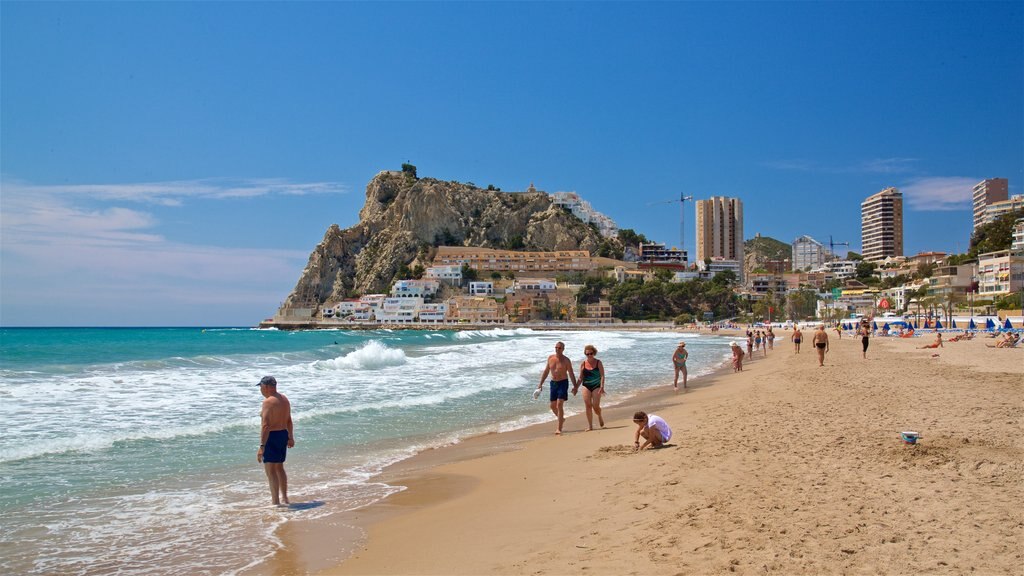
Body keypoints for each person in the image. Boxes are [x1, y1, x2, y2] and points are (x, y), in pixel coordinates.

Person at [257, 376, 294, 506]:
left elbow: (266, 425)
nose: (260, 390)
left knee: (270, 470)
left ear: (266, 387)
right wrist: (290, 437)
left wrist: (262, 446)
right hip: (283, 434)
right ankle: (284, 498)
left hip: (272, 436)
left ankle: (275, 502)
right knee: (279, 467)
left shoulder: (268, 402)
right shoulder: (284, 399)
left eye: (260, 387)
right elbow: (289, 420)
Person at [536, 341, 578, 435]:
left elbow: (571, 373)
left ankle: (559, 428)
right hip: (553, 383)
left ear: (563, 349)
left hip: (563, 382)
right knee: (552, 406)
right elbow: (546, 371)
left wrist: (575, 386)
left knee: (559, 404)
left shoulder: (566, 360)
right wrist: (540, 384)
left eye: (559, 348)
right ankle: (561, 419)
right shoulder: (550, 358)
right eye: (556, 347)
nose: (557, 349)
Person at [578, 344, 605, 430]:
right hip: (586, 385)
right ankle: (590, 426)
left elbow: (602, 376)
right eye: (587, 354)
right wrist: (575, 387)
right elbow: (580, 377)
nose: (589, 355)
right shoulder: (583, 364)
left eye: (591, 353)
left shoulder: (598, 362)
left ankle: (599, 415)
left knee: (595, 406)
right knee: (588, 405)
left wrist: (602, 386)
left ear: (594, 353)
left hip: (596, 385)